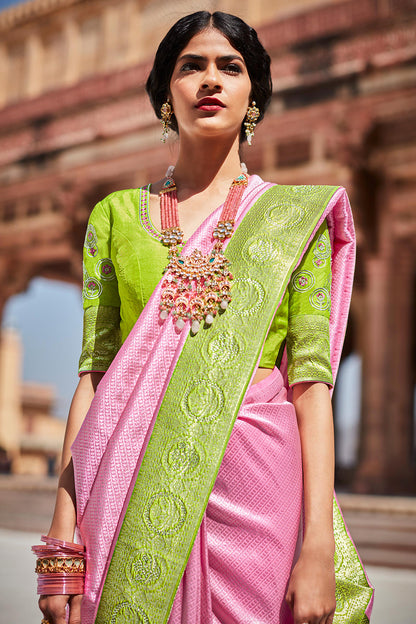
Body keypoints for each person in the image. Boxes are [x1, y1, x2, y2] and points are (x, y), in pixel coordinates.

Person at [35, 11, 374, 624]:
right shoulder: (116, 218)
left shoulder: (293, 220)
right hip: (130, 484)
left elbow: (311, 386)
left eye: (230, 67)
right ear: (167, 94)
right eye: (191, 67)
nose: (209, 80)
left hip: (258, 490)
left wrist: (318, 545)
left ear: (253, 97)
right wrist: (63, 536)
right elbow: (94, 378)